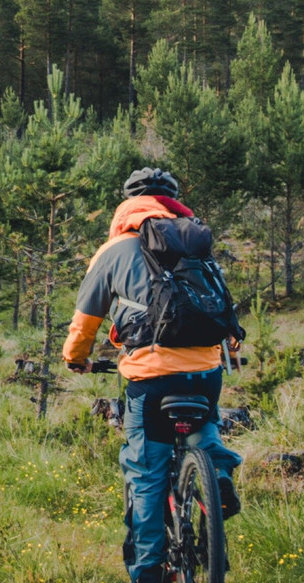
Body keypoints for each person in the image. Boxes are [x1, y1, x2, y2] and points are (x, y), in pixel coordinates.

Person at [62, 167, 243, 583]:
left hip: (149, 376)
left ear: (127, 205)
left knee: (146, 471)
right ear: (171, 204)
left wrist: (76, 358)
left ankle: (148, 572)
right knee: (206, 427)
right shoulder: (195, 244)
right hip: (204, 371)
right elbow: (219, 303)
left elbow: (86, 320)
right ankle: (216, 474)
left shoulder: (114, 250)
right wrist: (231, 350)